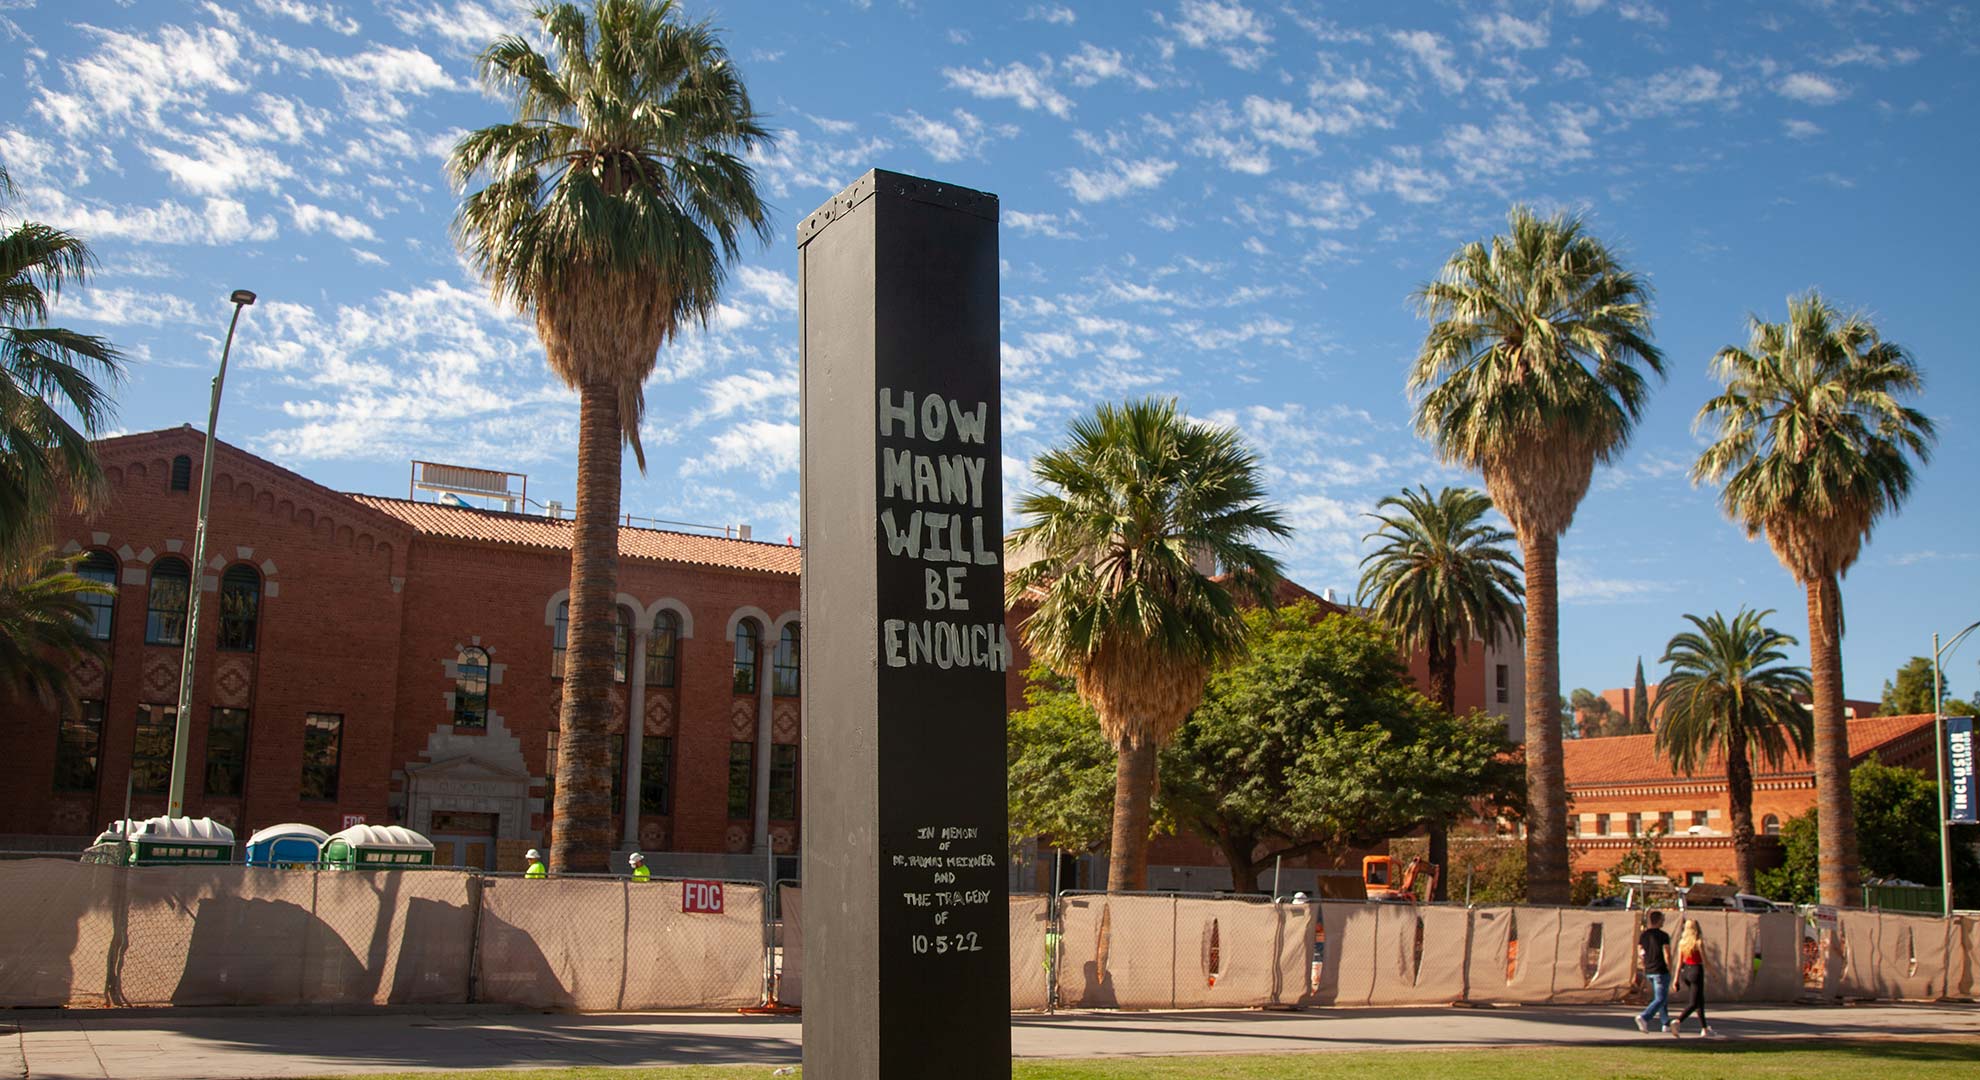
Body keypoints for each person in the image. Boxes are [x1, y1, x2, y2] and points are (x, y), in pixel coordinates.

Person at [1671, 917, 1716, 1037]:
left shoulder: (1682, 942)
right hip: (1696, 970)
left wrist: (1676, 979)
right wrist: (1713, 973)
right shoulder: (1698, 941)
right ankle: (1678, 1021)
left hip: (1686, 971)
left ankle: (1704, 1028)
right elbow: (1705, 960)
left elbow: (1679, 963)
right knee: (1694, 1003)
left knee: (1699, 1001)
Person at [1634, 910, 1673, 1034]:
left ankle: (1665, 1022)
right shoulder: (1663, 935)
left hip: (1649, 969)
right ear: (1658, 920)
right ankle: (1645, 1017)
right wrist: (1670, 967)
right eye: (1662, 919)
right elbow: (1667, 953)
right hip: (1660, 969)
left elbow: (1640, 950)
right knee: (1660, 998)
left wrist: (1645, 960)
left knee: (1663, 996)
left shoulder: (1644, 935)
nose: (1663, 922)